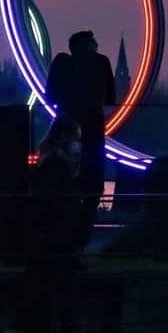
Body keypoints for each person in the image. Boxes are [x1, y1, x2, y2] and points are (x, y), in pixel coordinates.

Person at [2, 118, 96, 333]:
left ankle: (20, 332)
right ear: (64, 138)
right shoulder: (56, 168)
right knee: (55, 286)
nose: (78, 144)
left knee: (38, 287)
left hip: (45, 239)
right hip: (53, 240)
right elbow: (56, 204)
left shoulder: (49, 163)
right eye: (75, 138)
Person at [45, 30, 116, 252]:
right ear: (89, 46)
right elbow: (111, 98)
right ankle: (79, 243)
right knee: (92, 188)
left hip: (66, 129)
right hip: (93, 130)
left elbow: (50, 96)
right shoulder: (101, 63)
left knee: (64, 182)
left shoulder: (62, 63)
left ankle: (61, 242)